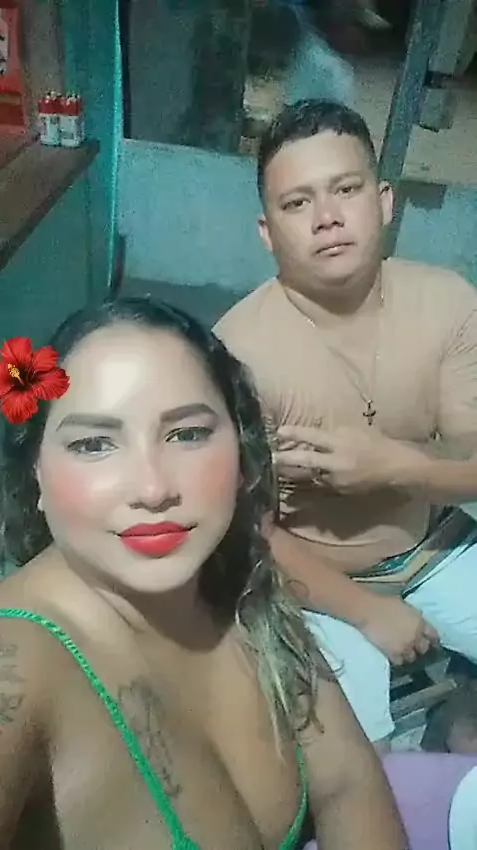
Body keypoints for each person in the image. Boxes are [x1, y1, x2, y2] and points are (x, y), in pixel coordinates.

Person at [0, 298, 406, 849]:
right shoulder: (18, 661)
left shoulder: (240, 587)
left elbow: (347, 785)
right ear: (37, 477)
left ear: (242, 451)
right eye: (94, 444)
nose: (152, 489)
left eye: (187, 434)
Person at [214, 99, 477, 749]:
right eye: (297, 203)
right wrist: (367, 611)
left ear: (384, 202)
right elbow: (246, 531)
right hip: (313, 584)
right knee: (353, 759)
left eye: (346, 190)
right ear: (267, 232)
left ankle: (459, 716)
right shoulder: (236, 355)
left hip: (436, 547)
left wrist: (397, 467)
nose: (326, 217)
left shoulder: (447, 301)